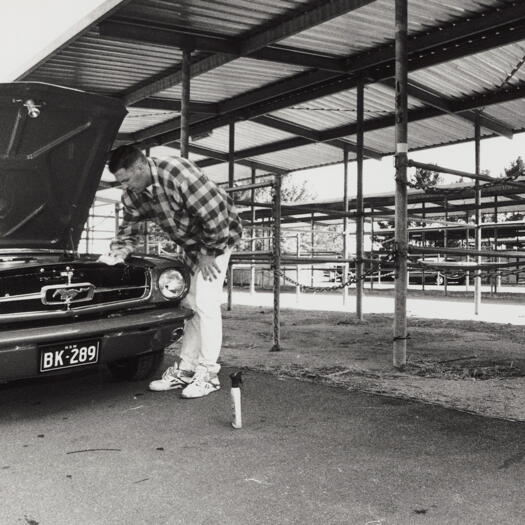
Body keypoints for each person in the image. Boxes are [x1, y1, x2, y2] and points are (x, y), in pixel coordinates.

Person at [100, 145, 242, 398]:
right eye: (120, 182)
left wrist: (210, 252)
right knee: (188, 303)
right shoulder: (134, 195)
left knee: (207, 301)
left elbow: (215, 212)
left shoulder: (177, 172)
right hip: (190, 246)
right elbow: (129, 227)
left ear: (140, 167)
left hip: (218, 238)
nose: (124, 186)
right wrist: (118, 252)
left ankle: (208, 374)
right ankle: (186, 370)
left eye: (126, 179)